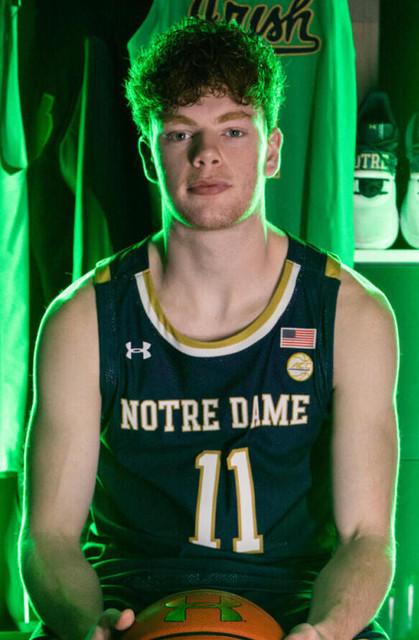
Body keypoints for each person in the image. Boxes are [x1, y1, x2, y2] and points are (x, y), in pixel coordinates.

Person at [19, 18, 399, 640]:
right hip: (130, 609)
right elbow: (49, 537)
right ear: (149, 155)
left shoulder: (350, 315)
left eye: (233, 129)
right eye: (179, 133)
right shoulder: (83, 319)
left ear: (272, 151)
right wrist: (86, 626)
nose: (206, 154)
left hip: (295, 609)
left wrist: (327, 631)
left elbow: (366, 536)